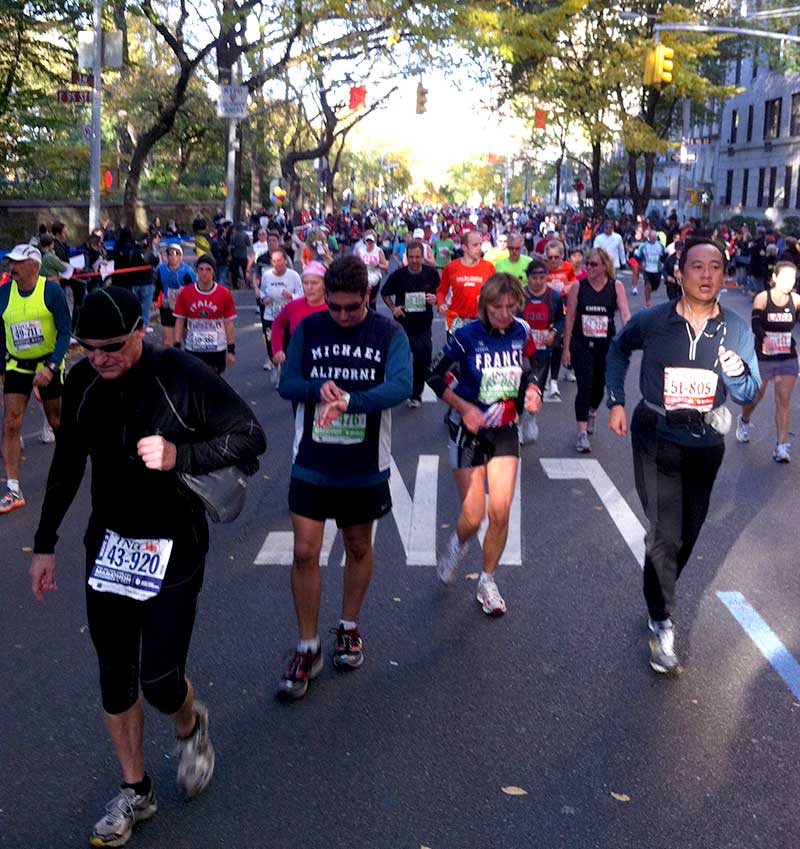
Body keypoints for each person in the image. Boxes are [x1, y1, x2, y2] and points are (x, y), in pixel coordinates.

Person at [29, 286, 266, 847]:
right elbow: (66, 465)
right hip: (109, 546)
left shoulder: (180, 375)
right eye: (88, 347)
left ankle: (190, 723)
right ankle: (136, 789)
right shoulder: (85, 381)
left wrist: (179, 455)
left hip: (175, 544)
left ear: (140, 329)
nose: (100, 357)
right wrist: (44, 544)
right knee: (115, 674)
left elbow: (250, 434)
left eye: (111, 345)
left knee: (160, 681)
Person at [606, 237, 760, 675]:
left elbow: (749, 392)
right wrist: (615, 399)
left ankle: (659, 561)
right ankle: (661, 622)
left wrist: (740, 374)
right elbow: (618, 348)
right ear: (679, 273)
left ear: (725, 274)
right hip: (655, 432)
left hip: (706, 441)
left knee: (685, 534)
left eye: (715, 267)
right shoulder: (654, 321)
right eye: (697, 266)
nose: (707, 274)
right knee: (666, 533)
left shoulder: (737, 328)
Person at [276, 255, 412, 700]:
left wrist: (351, 401)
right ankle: (307, 644)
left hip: (363, 464)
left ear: (367, 297)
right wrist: (317, 389)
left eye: (351, 308)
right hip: (312, 460)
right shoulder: (311, 330)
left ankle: (349, 626)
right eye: (333, 306)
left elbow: (401, 386)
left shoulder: (388, 333)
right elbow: (287, 383)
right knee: (304, 552)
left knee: (358, 546)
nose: (341, 315)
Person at [428, 273, 542, 615]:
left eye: (510, 307)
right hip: (468, 432)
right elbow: (432, 376)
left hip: (505, 428)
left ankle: (487, 581)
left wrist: (533, 389)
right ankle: (457, 543)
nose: (504, 314)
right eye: (497, 308)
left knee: (501, 510)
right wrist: (464, 408)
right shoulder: (465, 336)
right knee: (474, 515)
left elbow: (529, 367)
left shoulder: (521, 331)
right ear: (484, 306)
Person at [0, 244, 72, 513]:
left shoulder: (50, 291)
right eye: (10, 263)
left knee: (56, 421)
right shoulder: (4, 294)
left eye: (18, 263)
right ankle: (13, 489)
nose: (12, 267)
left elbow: (65, 331)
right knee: (10, 423)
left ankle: (68, 466)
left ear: (34, 266)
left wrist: (52, 367)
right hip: (17, 365)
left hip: (48, 364)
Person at [562, 247, 630, 453]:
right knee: (584, 386)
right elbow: (570, 318)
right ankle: (582, 433)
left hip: (606, 345)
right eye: (587, 264)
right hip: (582, 343)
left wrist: (631, 337)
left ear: (604, 266)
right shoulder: (578, 287)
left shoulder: (615, 286)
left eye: (593, 264)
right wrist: (566, 349)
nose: (589, 268)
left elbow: (626, 315)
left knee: (599, 386)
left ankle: (592, 412)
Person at [735, 261, 800, 462]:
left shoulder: (797, 300)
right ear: (774, 278)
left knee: (783, 399)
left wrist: (783, 344)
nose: (790, 282)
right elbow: (755, 325)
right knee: (757, 394)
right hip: (763, 355)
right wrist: (767, 339)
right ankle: (744, 420)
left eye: (793, 278)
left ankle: (781, 447)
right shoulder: (762, 298)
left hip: (787, 356)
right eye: (785, 277)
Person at [381, 239, 440, 407]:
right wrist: (393, 308)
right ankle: (401, 389)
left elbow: (439, 293)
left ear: (423, 257)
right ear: (406, 257)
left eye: (418, 257)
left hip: (423, 326)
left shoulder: (431, 273)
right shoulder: (399, 276)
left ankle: (416, 394)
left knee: (422, 362)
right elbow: (385, 293)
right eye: (411, 257)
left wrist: (435, 299)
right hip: (403, 327)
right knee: (402, 362)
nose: (414, 261)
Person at [520, 258, 564, 443]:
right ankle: (519, 426)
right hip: (522, 352)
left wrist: (554, 333)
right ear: (527, 277)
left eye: (542, 277)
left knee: (537, 389)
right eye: (534, 278)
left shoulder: (553, 296)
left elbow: (561, 320)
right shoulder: (520, 295)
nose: (538, 281)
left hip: (543, 352)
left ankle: (531, 418)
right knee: (520, 389)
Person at [173, 255, 236, 375]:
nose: (204, 273)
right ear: (196, 271)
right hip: (193, 347)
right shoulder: (186, 293)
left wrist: (231, 350)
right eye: (201, 269)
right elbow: (180, 321)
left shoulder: (224, 294)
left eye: (208, 269)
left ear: (213, 272)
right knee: (195, 382)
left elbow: (228, 323)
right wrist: (177, 346)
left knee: (213, 382)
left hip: (217, 348)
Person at [270, 261, 328, 373]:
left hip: (325, 368)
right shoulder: (293, 306)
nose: (309, 287)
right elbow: (277, 325)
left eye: (314, 283)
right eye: (305, 283)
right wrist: (277, 350)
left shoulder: (333, 308)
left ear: (324, 285)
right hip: (297, 365)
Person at [437, 231, 495, 335]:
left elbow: (495, 293)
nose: (479, 248)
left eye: (480, 244)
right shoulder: (451, 267)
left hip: (480, 319)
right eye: (475, 245)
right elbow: (442, 290)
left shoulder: (489, 267)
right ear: (464, 247)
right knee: (455, 350)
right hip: (455, 318)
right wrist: (441, 304)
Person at [258, 247, 302, 377]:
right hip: (270, 316)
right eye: (273, 261)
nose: (276, 264)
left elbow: (302, 294)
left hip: (287, 318)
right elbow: (262, 291)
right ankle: (276, 365)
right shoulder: (267, 276)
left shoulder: (293, 276)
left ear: (285, 261)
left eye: (279, 260)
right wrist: (263, 298)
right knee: (272, 346)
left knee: (287, 345)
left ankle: (284, 372)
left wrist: (291, 296)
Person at [154, 245, 196, 349]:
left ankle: (189, 361)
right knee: (168, 342)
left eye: (176, 254)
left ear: (181, 256)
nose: (173, 256)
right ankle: (173, 362)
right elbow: (158, 285)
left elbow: (195, 290)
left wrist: (185, 290)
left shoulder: (187, 271)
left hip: (184, 308)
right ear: (167, 256)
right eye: (170, 254)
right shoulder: (161, 269)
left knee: (186, 339)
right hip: (167, 306)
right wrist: (154, 300)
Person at [356, 230, 389, 309]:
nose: (369, 243)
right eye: (367, 241)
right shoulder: (360, 250)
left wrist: (378, 266)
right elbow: (355, 263)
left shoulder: (378, 251)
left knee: (372, 302)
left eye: (371, 241)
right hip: (363, 275)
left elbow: (385, 266)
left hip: (374, 275)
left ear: (374, 241)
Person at [635, 227, 666, 308]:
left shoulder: (660, 245)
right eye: (651, 237)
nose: (653, 239)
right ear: (649, 237)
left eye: (654, 237)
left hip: (657, 270)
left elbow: (665, 255)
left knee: (655, 287)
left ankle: (648, 292)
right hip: (647, 269)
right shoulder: (643, 246)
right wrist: (641, 263)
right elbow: (637, 256)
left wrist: (663, 263)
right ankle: (648, 302)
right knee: (648, 286)